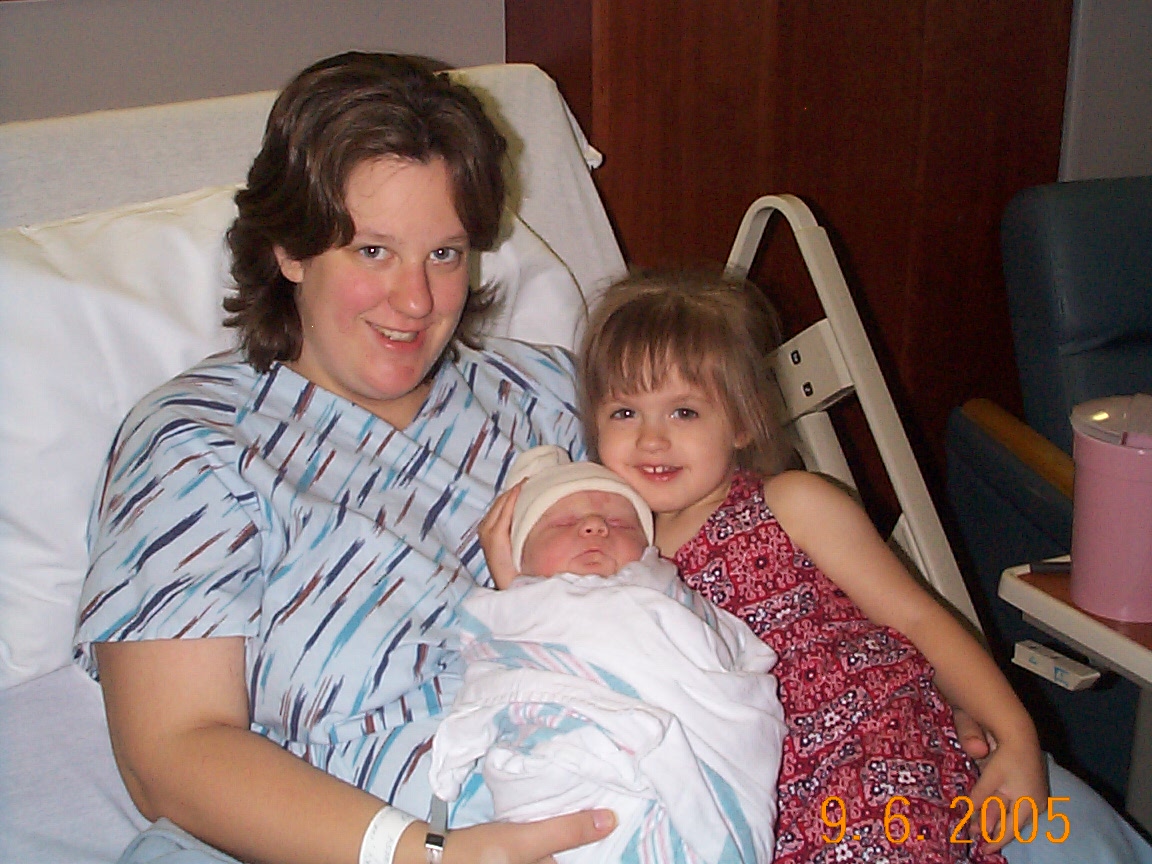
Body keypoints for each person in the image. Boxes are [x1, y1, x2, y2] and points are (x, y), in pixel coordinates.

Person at [72, 52, 616, 864]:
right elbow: (173, 753)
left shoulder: (547, 395)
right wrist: (428, 854)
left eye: (444, 254)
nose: (416, 300)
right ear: (289, 249)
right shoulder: (199, 442)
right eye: (373, 252)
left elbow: (710, 554)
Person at [573, 269, 1050, 864]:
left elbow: (917, 620)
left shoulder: (792, 503)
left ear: (742, 421)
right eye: (624, 413)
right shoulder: (619, 565)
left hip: (867, 747)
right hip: (751, 790)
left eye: (685, 412)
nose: (651, 439)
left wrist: (1016, 735)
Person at [430, 445, 787, 863]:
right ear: (520, 556)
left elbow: (740, 666)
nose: (596, 526)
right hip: (571, 771)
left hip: (696, 759)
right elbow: (491, 685)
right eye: (562, 522)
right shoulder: (512, 618)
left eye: (620, 523)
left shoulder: (667, 593)